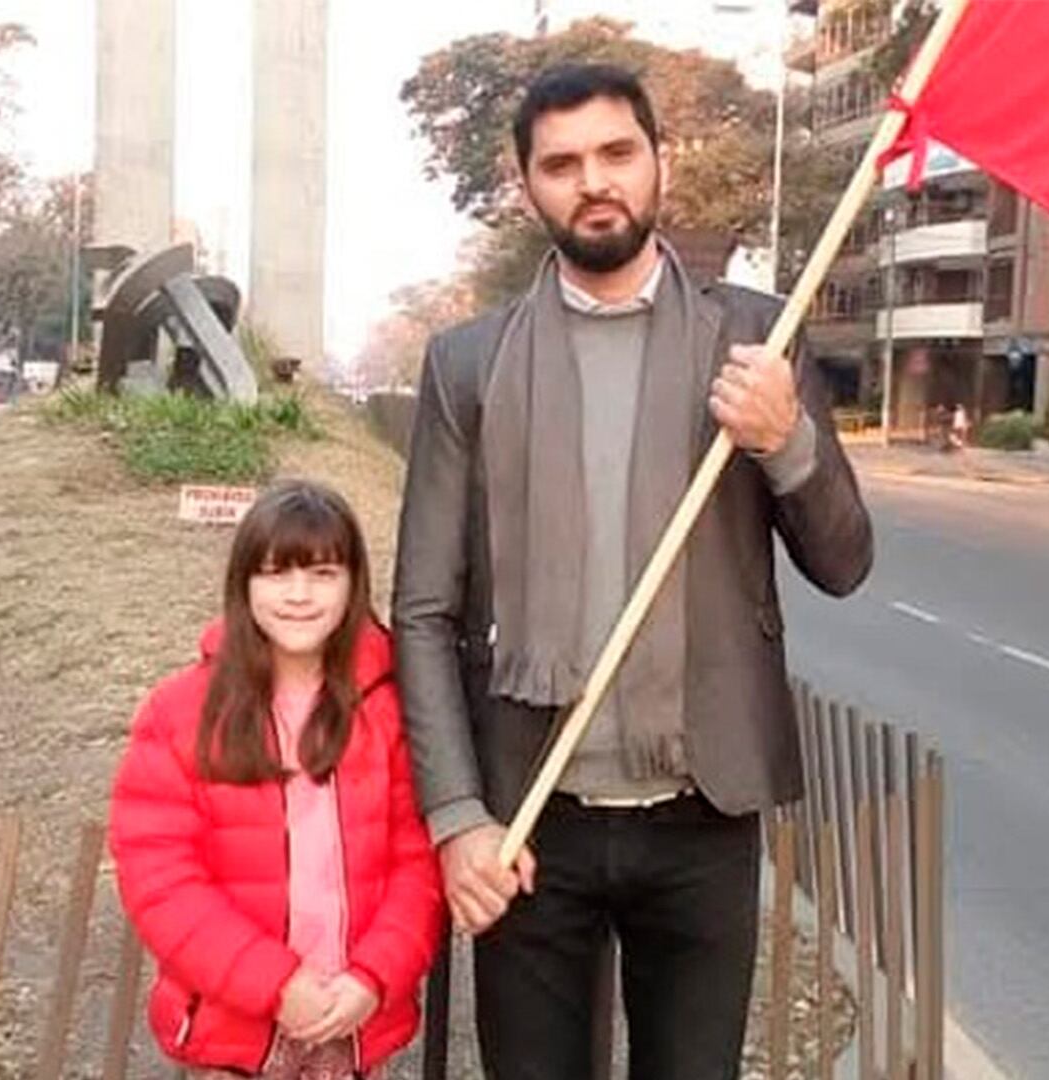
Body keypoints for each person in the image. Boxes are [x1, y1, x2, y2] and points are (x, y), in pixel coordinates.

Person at [393, 63, 874, 1080]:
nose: (593, 181)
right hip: (529, 823)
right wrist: (455, 821)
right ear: (528, 186)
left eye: (617, 153)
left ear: (660, 162)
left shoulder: (755, 340)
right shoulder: (470, 365)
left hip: (701, 820)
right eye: (561, 164)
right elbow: (425, 612)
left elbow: (844, 563)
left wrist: (787, 443)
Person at [109, 480, 444, 1079]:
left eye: (321, 574)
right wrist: (274, 982)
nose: (298, 596)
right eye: (274, 574)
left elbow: (416, 864)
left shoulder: (390, 710)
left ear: (353, 585)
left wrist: (375, 976)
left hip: (353, 1029)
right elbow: (161, 880)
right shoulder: (180, 713)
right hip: (232, 1036)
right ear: (244, 585)